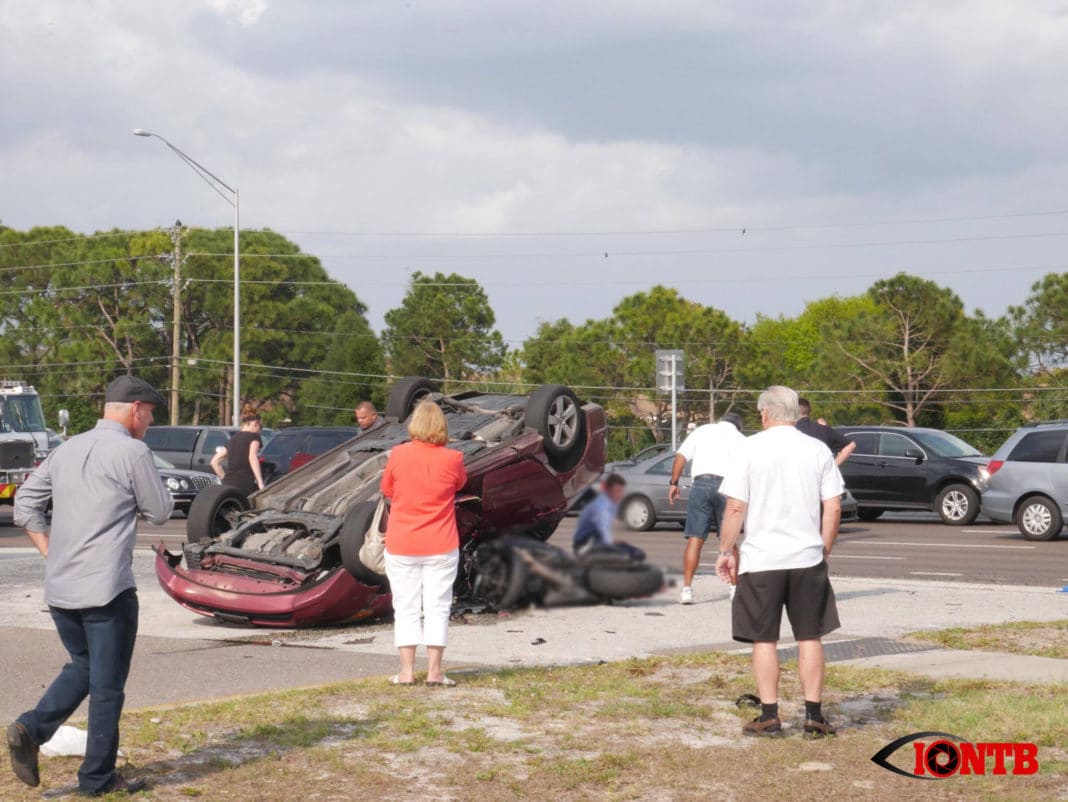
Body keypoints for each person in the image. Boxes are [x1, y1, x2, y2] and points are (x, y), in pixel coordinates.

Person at [7, 376, 174, 795]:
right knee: (107, 687)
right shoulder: (133, 451)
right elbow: (158, 511)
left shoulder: (66, 450)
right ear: (136, 409)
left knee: (83, 667)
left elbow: (24, 504)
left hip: (61, 588)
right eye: (150, 415)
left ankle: (31, 728)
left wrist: (50, 550)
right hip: (107, 591)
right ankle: (97, 779)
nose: (149, 423)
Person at [715, 386, 843, 737]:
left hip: (761, 559)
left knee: (764, 640)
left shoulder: (749, 448)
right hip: (806, 557)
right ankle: (814, 715)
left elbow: (736, 507)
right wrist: (824, 547)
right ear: (794, 412)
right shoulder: (817, 449)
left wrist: (727, 550)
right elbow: (833, 506)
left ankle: (769, 715)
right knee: (809, 636)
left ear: (765, 414)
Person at [380, 400, 467, 686]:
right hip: (441, 543)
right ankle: (435, 671)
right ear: (442, 427)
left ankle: (406, 672)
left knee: (405, 607)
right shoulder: (453, 458)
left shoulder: (398, 455)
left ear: (414, 425)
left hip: (402, 542)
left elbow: (387, 490)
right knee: (437, 607)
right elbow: (459, 485)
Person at [667, 412, 746, 605]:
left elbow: (680, 457)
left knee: (695, 539)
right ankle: (735, 589)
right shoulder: (741, 439)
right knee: (730, 540)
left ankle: (687, 590)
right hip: (727, 488)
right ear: (737, 426)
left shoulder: (702, 431)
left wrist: (674, 482)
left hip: (701, 485)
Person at [572, 473, 645, 561]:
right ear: (608, 490)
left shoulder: (610, 504)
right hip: (585, 546)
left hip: (595, 542)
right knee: (629, 555)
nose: (620, 495)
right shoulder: (601, 506)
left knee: (634, 551)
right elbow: (603, 531)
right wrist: (613, 544)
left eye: (621, 491)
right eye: (617, 491)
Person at [210, 414, 265, 495]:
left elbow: (214, 462)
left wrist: (224, 479)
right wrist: (260, 483)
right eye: (260, 428)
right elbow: (252, 457)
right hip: (245, 483)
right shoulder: (254, 437)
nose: (259, 431)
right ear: (255, 424)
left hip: (228, 485)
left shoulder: (232, 439)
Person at [796, 398, 855, 466]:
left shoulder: (790, 430)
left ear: (793, 412)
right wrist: (833, 467)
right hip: (820, 474)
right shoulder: (824, 429)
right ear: (809, 411)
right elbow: (851, 445)